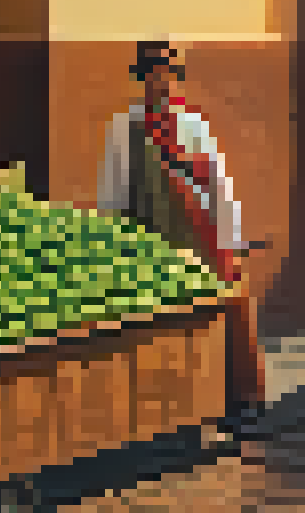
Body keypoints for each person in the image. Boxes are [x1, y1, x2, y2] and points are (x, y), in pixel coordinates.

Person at [97, 42, 267, 439]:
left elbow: (219, 185)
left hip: (204, 239)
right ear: (141, 76)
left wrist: (232, 238)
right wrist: (114, 246)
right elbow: (114, 196)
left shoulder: (193, 126)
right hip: (154, 244)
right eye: (156, 70)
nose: (163, 79)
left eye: (170, 70)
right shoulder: (125, 129)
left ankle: (239, 405)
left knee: (226, 321)